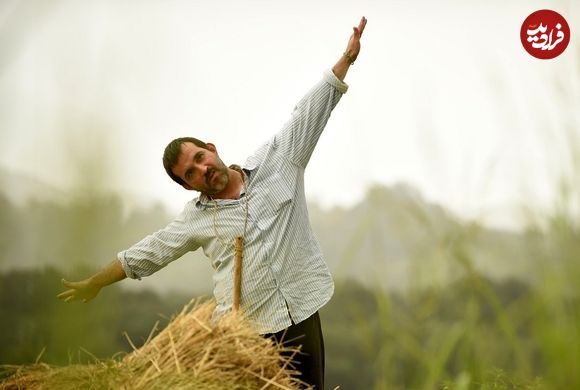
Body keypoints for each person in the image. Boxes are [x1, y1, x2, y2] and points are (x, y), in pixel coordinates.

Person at [58, 16, 367, 389]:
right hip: (246, 333)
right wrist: (95, 282)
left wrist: (346, 59)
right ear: (188, 186)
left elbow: (309, 113)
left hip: (300, 313)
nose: (201, 170)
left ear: (212, 149)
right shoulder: (196, 220)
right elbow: (147, 253)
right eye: (190, 173)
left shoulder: (278, 162)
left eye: (200, 159)